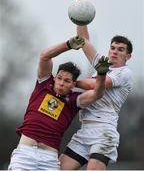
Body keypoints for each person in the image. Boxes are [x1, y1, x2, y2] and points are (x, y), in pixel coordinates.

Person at [8, 35, 110, 170]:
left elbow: (98, 93)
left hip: (49, 160)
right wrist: (68, 45)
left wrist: (102, 74)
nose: (61, 83)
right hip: (24, 155)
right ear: (55, 78)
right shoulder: (44, 84)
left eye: (67, 81)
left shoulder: (75, 100)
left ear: (74, 84)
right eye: (60, 78)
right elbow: (44, 56)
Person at [60, 25, 133, 170]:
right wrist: (81, 13)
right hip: (85, 130)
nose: (115, 52)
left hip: (104, 131)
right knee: (60, 168)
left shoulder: (125, 73)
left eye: (120, 49)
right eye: (112, 48)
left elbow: (97, 84)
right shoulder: (103, 64)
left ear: (128, 56)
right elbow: (84, 41)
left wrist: (69, 82)